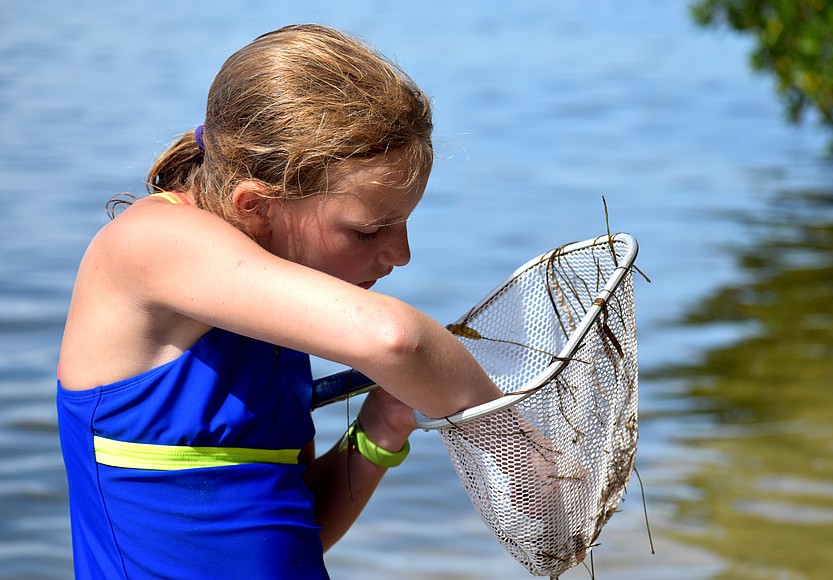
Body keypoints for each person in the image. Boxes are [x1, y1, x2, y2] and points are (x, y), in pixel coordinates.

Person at [57, 24, 502, 579]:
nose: (401, 254)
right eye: (370, 230)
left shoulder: (264, 317)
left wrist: (380, 432)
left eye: (405, 223)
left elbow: (292, 529)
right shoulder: (148, 244)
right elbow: (396, 340)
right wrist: (525, 452)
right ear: (256, 207)